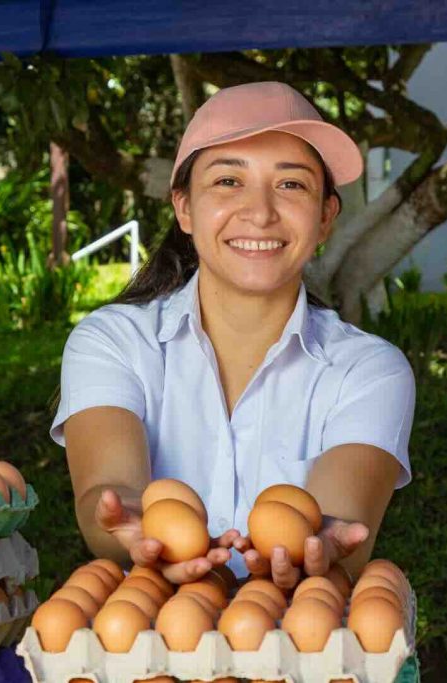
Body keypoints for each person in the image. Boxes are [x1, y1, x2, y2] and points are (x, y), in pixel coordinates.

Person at [50, 81, 416, 589]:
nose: (261, 212)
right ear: (184, 209)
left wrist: (319, 547)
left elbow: (337, 526)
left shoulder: (368, 370)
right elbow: (106, 495)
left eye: (291, 185)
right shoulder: (113, 342)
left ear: (327, 216)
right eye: (227, 181)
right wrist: (127, 526)